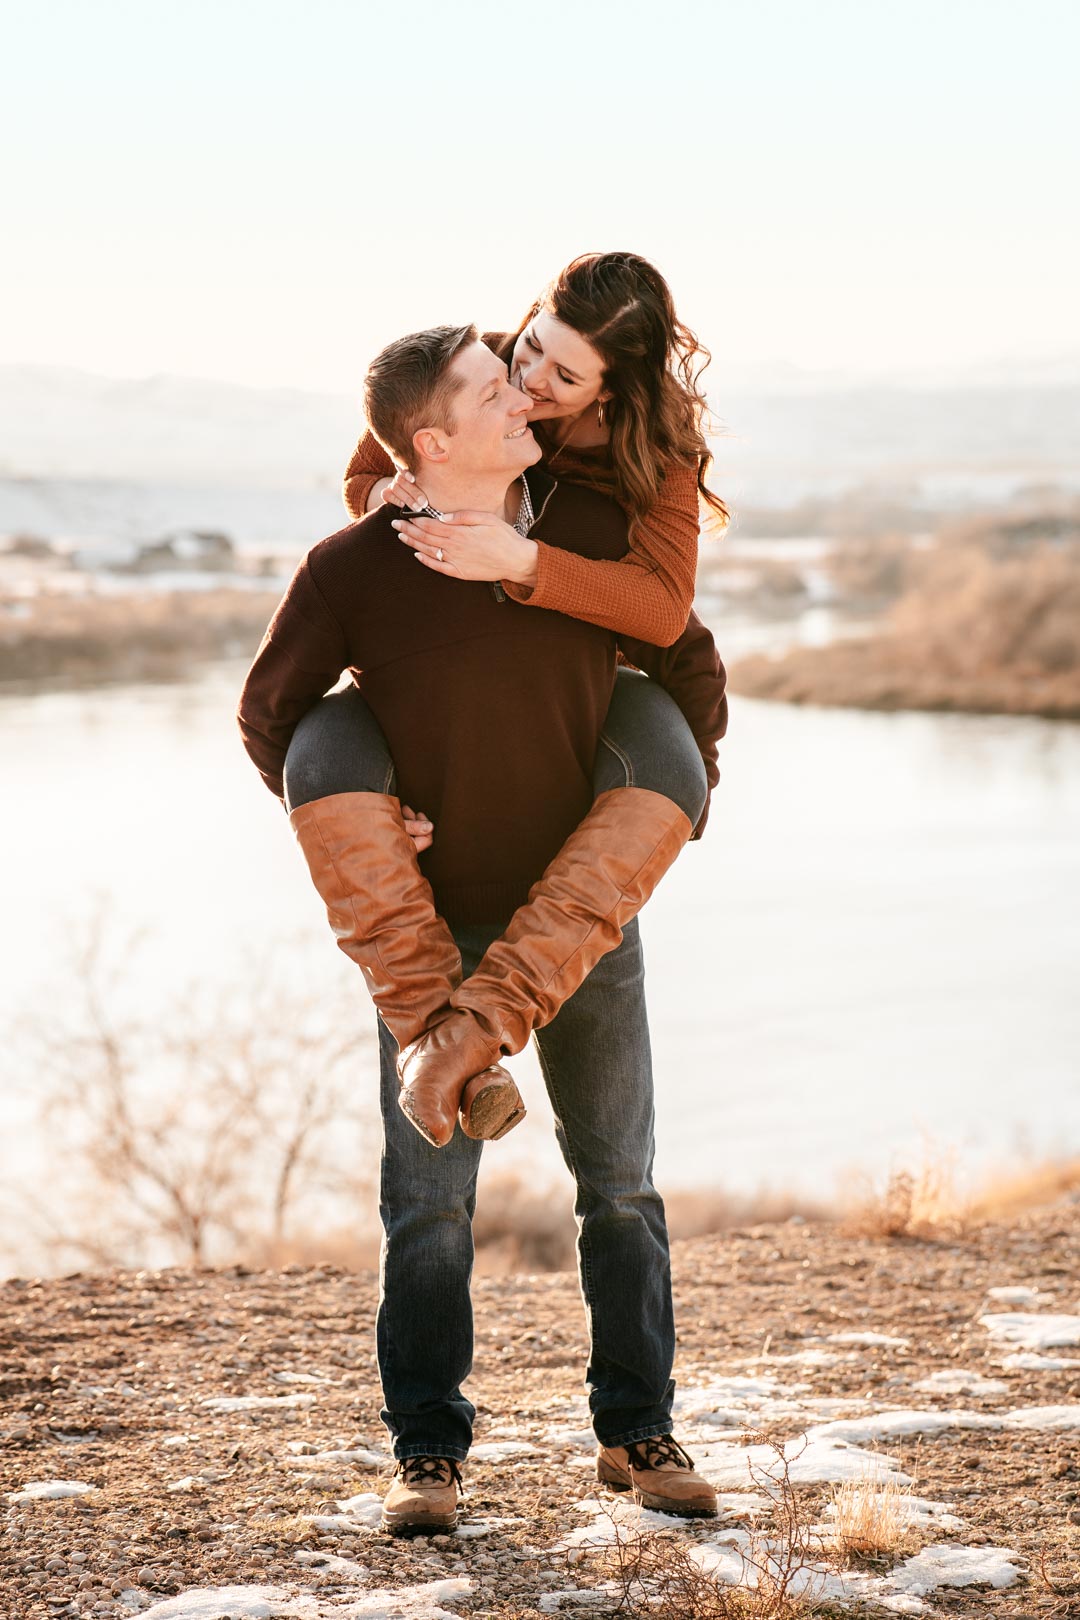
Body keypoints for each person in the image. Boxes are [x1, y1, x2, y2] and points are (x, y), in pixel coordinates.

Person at [237, 324, 728, 1531]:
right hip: (437, 929)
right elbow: (271, 717)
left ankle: (637, 1429)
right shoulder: (350, 570)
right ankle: (428, 1454)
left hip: (581, 925)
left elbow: (685, 651)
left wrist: (677, 788)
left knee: (620, 1186)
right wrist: (372, 811)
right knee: (429, 1205)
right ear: (431, 440)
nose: (523, 396)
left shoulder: (581, 533)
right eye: (492, 386)